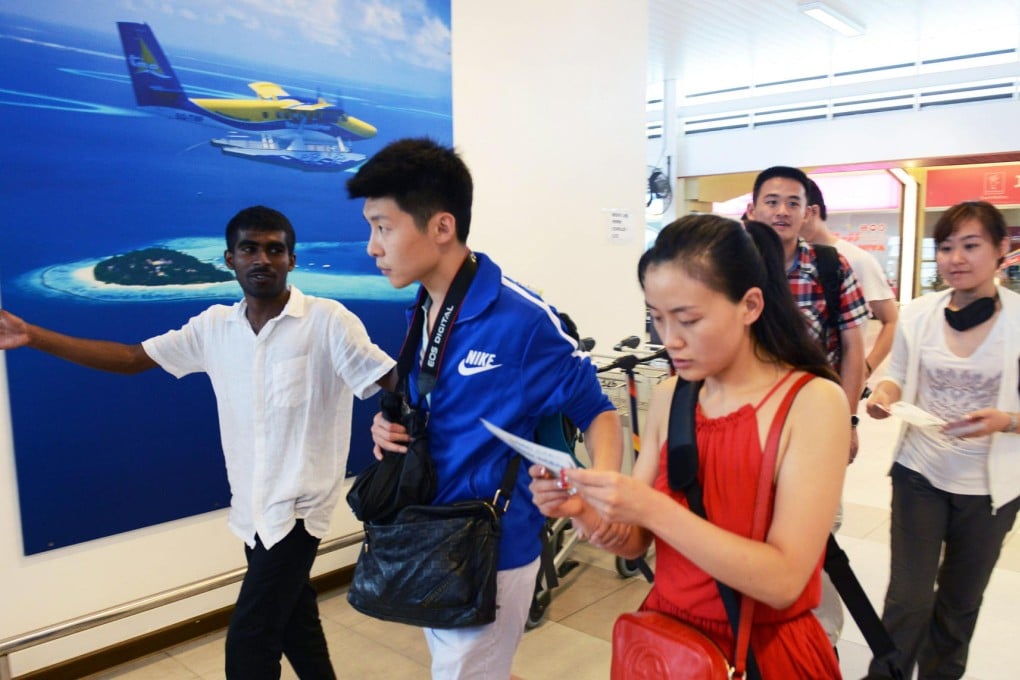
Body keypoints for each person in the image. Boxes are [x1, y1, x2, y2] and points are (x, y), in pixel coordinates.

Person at [0, 206, 397, 679]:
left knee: (249, 645)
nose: (262, 259)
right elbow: (131, 358)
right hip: (251, 511)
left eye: (274, 249)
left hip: (299, 511)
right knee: (295, 622)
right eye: (249, 248)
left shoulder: (328, 320)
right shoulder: (213, 327)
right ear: (229, 259)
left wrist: (400, 419)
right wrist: (32, 336)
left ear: (292, 260)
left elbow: (392, 380)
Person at [346, 137, 623, 680]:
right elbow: (436, 409)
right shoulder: (424, 305)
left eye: (383, 226)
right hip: (430, 535)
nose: (372, 247)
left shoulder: (520, 320)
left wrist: (604, 493)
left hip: (490, 548)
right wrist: (390, 426)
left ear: (441, 227)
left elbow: (598, 410)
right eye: (371, 227)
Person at [531, 214, 849, 678]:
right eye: (656, 318)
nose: (670, 340)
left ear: (751, 305)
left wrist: (651, 509)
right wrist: (582, 508)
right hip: (670, 644)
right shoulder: (671, 396)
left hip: (763, 651)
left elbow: (783, 581)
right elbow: (634, 542)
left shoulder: (812, 403)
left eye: (689, 319)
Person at [864, 200, 1020, 679]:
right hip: (920, 475)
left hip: (990, 493)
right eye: (947, 246)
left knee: (958, 607)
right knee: (907, 601)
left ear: (1001, 250)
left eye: (971, 245)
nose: (956, 258)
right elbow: (900, 376)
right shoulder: (919, 313)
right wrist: (883, 396)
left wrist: (1005, 421)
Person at [747, 166, 868, 464]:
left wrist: (847, 421)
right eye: (772, 202)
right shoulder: (733, 267)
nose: (782, 212)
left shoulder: (830, 266)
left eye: (793, 203)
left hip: (814, 413)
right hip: (747, 414)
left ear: (807, 213)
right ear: (752, 210)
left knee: (816, 502)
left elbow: (853, 348)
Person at [802, 178, 899, 383]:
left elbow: (892, 320)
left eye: (794, 205)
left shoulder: (857, 259)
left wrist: (866, 367)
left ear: (812, 211)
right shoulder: (788, 260)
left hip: (837, 383)